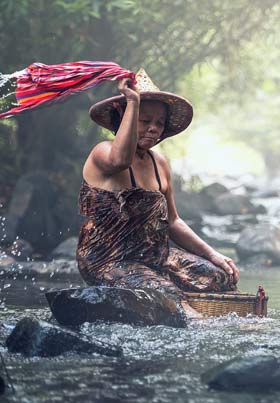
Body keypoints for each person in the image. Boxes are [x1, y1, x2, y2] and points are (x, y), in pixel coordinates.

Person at [77, 69, 240, 318]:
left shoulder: (159, 162)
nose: (153, 128)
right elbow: (121, 160)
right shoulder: (103, 152)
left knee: (219, 276)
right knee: (166, 294)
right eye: (145, 120)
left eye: (159, 123)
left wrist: (213, 254)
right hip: (109, 260)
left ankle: (208, 310)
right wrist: (132, 100)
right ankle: (198, 322)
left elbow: (173, 221)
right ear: (125, 117)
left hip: (154, 256)